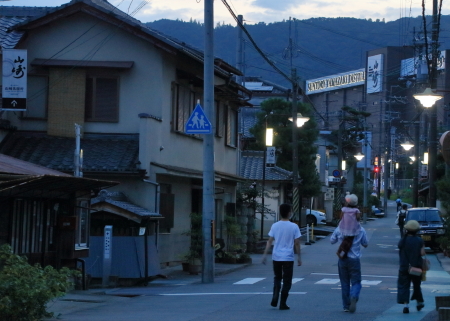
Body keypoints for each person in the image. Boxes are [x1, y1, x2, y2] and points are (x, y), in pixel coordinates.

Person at [262, 203, 301, 310]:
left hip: (276, 256)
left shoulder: (275, 225)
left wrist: (265, 254)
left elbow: (269, 241)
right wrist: (299, 258)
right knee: (287, 280)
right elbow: (297, 243)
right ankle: (283, 302)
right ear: (289, 213)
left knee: (277, 277)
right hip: (288, 257)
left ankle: (275, 294)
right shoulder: (294, 226)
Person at [330, 224, 368, 313]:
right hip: (354, 260)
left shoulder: (339, 228)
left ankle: (346, 306)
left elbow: (332, 240)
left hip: (342, 259)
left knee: (344, 283)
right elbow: (365, 243)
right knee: (356, 282)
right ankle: (354, 295)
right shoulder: (361, 229)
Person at [397, 220, 425, 314]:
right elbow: (422, 253)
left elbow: (400, 248)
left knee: (404, 286)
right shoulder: (419, 240)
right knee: (417, 285)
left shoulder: (403, 240)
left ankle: (406, 306)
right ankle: (418, 303)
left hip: (404, 267)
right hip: (416, 267)